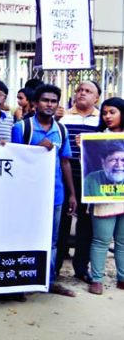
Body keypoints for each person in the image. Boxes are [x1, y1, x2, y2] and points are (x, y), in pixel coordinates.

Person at [11, 84, 77, 297]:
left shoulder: (62, 130)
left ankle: (46, 281)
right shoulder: (22, 128)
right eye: (45, 100)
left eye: (53, 101)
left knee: (52, 240)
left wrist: (72, 194)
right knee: (24, 236)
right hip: (26, 195)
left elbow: (65, 162)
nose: (49, 104)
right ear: (36, 103)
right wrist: (39, 147)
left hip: (55, 194)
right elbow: (15, 160)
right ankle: (22, 280)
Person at [58, 80, 101, 284]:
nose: (82, 93)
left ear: (96, 98)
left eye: (88, 91)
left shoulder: (102, 119)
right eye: (80, 90)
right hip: (66, 174)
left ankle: (81, 267)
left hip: (91, 175)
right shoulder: (62, 117)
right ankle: (55, 266)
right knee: (62, 220)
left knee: (86, 223)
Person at [86, 97, 124, 294]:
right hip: (103, 200)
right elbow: (88, 164)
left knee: (123, 241)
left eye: (112, 112)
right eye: (104, 113)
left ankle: (122, 278)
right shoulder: (97, 138)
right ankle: (97, 279)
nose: (107, 116)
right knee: (101, 240)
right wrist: (82, 145)